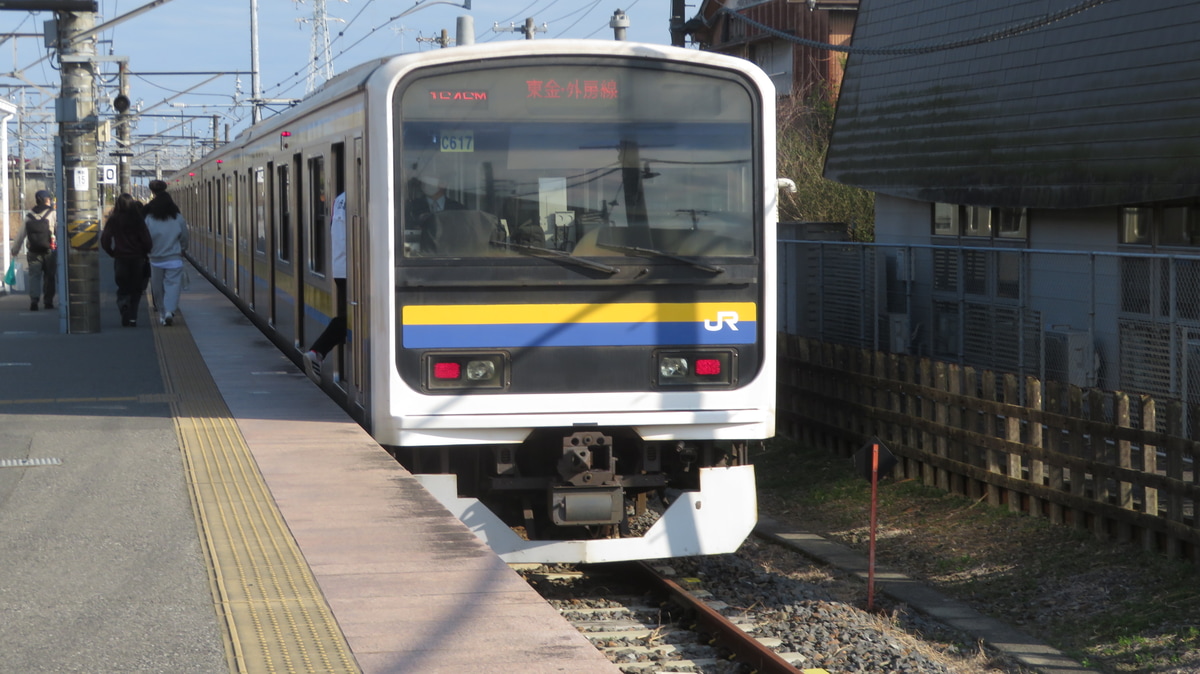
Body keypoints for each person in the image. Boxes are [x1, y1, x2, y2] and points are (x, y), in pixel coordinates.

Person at [303, 191, 347, 380]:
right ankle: (317, 352)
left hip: (341, 268)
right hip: (353, 270)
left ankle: (317, 353)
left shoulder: (340, 200)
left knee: (348, 317)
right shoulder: (362, 195)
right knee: (349, 318)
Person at [101, 193, 152, 327]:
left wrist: (111, 252)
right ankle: (133, 318)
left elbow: (105, 238)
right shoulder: (138, 220)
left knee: (123, 287)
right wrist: (146, 252)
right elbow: (146, 240)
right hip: (137, 259)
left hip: (121, 258)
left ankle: (124, 305)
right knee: (136, 289)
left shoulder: (114, 219)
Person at [144, 180, 189, 326]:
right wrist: (183, 248)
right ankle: (170, 310)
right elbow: (184, 235)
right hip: (174, 257)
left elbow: (145, 237)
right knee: (173, 285)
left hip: (156, 258)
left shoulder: (149, 219)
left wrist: (147, 250)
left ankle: (163, 315)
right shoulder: (177, 217)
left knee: (157, 288)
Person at [10, 189, 57, 311]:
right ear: (46, 200)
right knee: (49, 276)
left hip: (33, 250)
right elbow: (59, 231)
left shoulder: (29, 215)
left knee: (34, 276)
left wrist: (15, 249)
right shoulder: (53, 214)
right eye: (49, 199)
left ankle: (34, 301)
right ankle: (48, 301)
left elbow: (21, 234)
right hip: (49, 250)